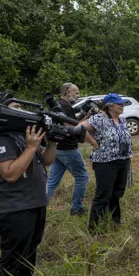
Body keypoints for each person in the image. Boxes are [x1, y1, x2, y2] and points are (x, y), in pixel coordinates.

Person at [0, 92, 57, 276]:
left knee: (28, 254)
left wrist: (52, 142)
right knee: (12, 258)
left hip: (35, 203)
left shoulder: (23, 135)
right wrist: (31, 148)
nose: (21, 110)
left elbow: (47, 160)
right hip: (14, 208)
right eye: (15, 107)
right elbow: (10, 173)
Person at [81, 93, 133, 232]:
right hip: (105, 163)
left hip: (122, 160)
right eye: (119, 104)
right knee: (103, 195)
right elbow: (80, 128)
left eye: (122, 103)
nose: (122, 106)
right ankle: (94, 228)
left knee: (117, 194)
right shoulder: (99, 118)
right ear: (110, 106)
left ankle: (115, 222)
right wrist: (93, 142)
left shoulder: (122, 119)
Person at [46, 82, 97, 215]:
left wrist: (84, 115)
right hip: (68, 148)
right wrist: (93, 142)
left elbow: (71, 122)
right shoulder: (65, 105)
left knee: (52, 181)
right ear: (67, 92)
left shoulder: (58, 105)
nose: (78, 95)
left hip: (57, 148)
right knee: (82, 177)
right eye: (76, 92)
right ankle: (77, 208)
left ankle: (39, 205)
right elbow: (72, 128)